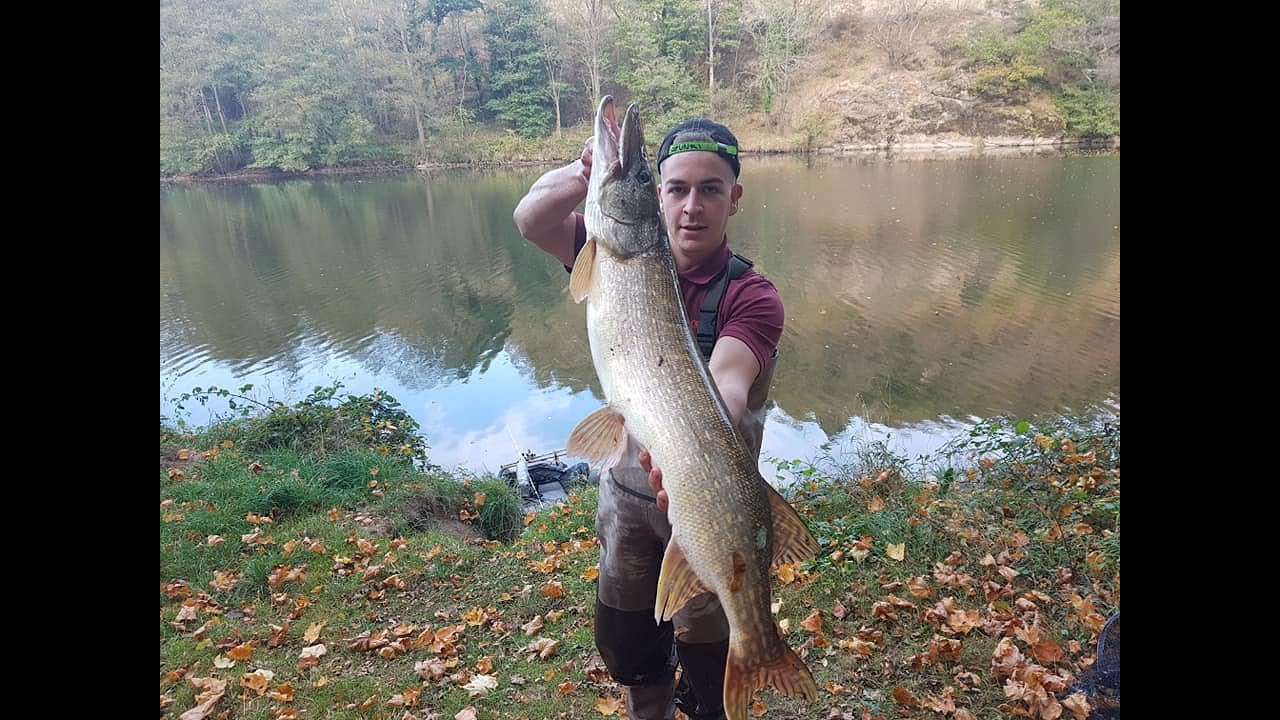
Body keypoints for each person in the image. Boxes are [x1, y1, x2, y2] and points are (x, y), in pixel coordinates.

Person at [512, 117, 784, 720]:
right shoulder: (608, 251)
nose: (692, 206)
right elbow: (530, 220)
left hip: (709, 498)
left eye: (710, 189)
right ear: (657, 196)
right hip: (627, 499)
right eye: (676, 188)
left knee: (708, 656)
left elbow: (727, 388)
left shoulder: (753, 296)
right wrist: (586, 173)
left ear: (734, 198)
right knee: (631, 648)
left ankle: (737, 677)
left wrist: (685, 451)